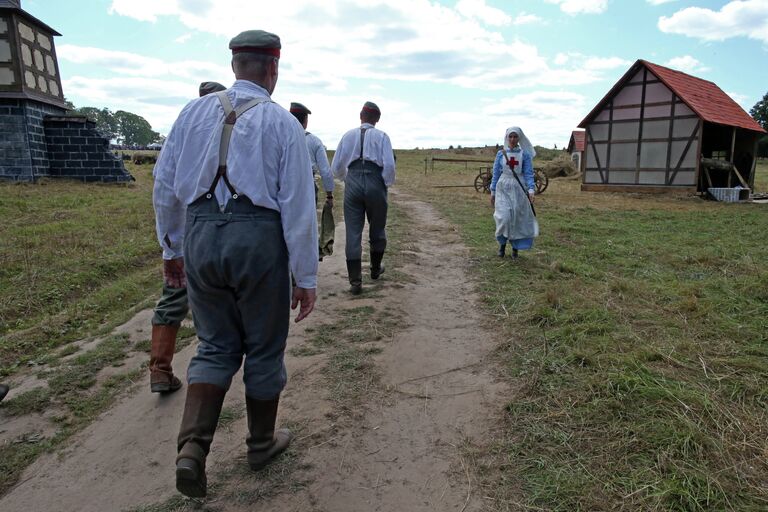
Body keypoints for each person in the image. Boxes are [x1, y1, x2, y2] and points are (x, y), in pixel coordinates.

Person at [152, 29, 318, 498]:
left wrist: (173, 249)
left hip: (202, 236)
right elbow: (299, 210)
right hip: (259, 241)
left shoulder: (191, 114)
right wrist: (304, 278)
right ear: (273, 67)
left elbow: (165, 188)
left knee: (213, 345)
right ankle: (261, 444)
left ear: (233, 67)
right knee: (264, 347)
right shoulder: (283, 124)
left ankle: (192, 451)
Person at [148, 81, 227, 395]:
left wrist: (171, 246)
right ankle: (214, 365)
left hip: (186, 233)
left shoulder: (184, 131)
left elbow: (164, 189)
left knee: (173, 296)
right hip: (218, 231)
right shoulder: (231, 132)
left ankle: (160, 368)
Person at [331, 101, 396, 294]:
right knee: (377, 228)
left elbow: (336, 167)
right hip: (375, 180)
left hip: (353, 182)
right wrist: (383, 183)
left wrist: (347, 179)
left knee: (353, 232)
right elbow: (390, 166)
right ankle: (375, 269)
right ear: (377, 119)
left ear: (360, 116)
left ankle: (355, 281)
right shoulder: (382, 136)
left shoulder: (347, 136)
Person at [290, 102, 336, 260]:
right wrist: (329, 194)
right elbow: (325, 171)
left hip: (284, 183)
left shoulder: (279, 135)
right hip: (307, 184)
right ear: (305, 121)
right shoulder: (314, 141)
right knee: (307, 222)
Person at [490, 127, 539, 258]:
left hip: (518, 188)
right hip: (503, 187)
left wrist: (531, 189)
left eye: (515, 137)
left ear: (519, 138)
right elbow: (495, 173)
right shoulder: (501, 154)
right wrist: (493, 191)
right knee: (504, 217)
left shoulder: (524, 155)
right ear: (507, 137)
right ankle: (502, 245)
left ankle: (515, 248)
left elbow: (528, 173)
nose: (512, 139)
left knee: (516, 218)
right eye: (510, 137)